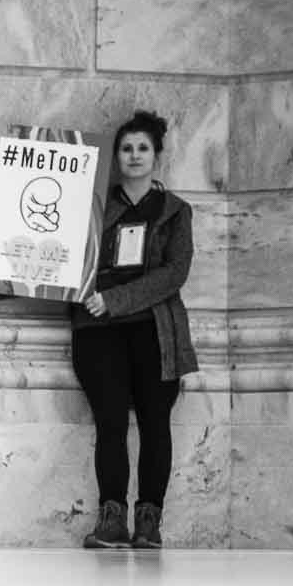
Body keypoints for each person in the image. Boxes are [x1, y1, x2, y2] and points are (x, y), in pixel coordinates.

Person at [72, 110, 198, 550]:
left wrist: (117, 299)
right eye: (126, 148)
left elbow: (174, 273)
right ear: (117, 156)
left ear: (157, 155)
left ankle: (149, 521)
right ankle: (111, 520)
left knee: (154, 423)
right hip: (98, 331)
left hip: (155, 332)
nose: (134, 155)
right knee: (109, 424)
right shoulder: (92, 206)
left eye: (143, 147)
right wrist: (5, 278)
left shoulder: (175, 211)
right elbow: (66, 257)